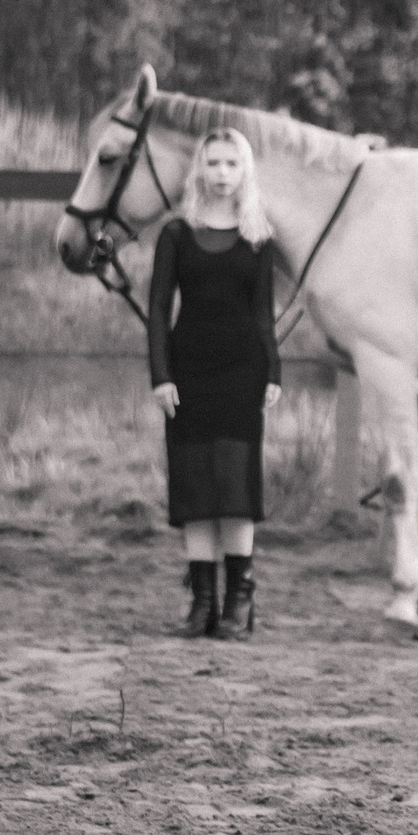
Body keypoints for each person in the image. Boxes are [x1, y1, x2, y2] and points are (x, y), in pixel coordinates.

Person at [149, 129, 283, 640]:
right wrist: (160, 376)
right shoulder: (176, 235)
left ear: (244, 170)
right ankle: (202, 602)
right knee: (195, 487)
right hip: (188, 373)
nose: (222, 172)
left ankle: (239, 601)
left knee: (235, 487)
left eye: (231, 163)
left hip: (242, 373)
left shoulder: (258, 239)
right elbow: (159, 310)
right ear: (199, 169)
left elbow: (264, 317)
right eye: (214, 163)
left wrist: (273, 370)